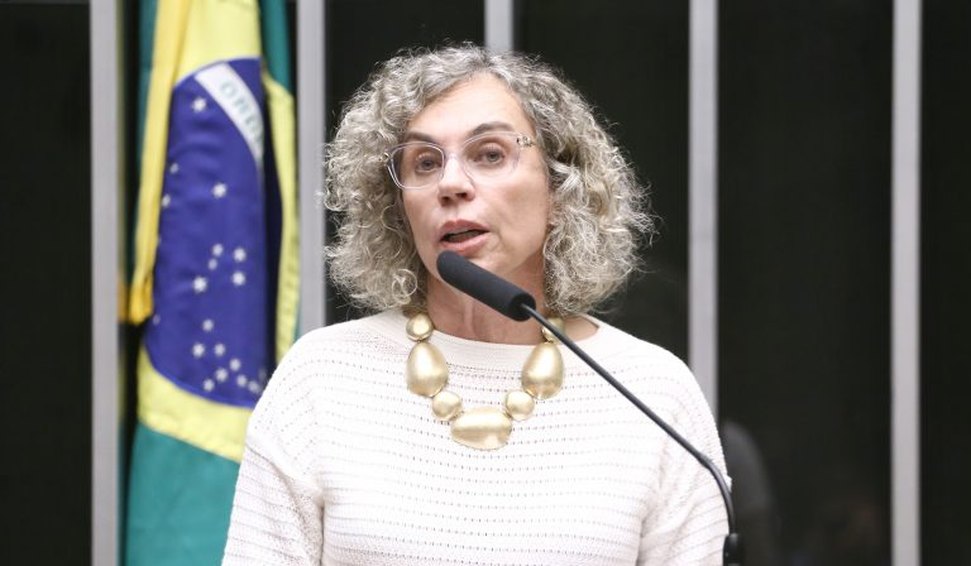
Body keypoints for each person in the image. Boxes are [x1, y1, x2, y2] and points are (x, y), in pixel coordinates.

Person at [223, 44, 729, 565]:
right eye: (424, 162)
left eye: (489, 154)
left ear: (560, 186)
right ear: (397, 209)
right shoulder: (321, 377)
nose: (450, 184)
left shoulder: (652, 392)